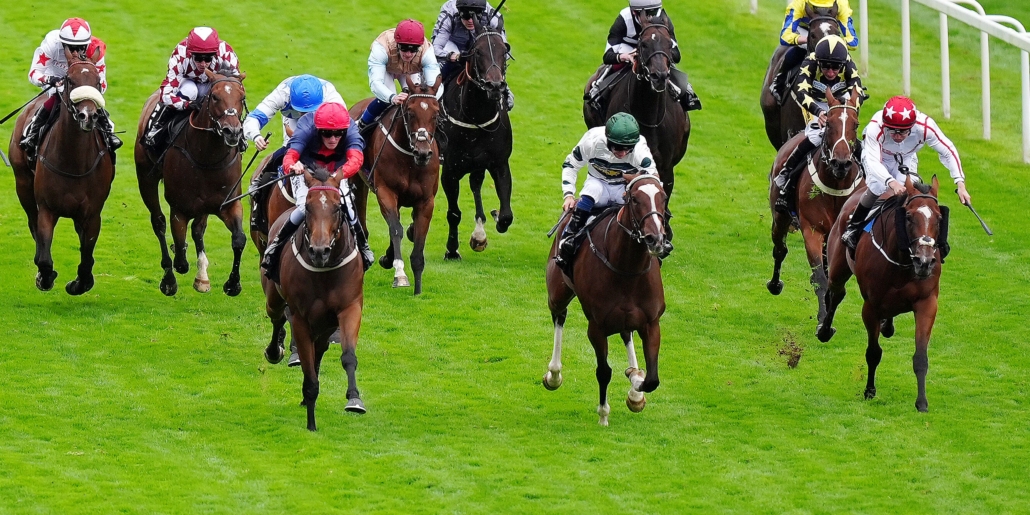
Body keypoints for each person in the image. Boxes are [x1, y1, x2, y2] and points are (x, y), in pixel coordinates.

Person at [841, 96, 970, 257]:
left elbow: (948, 151)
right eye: (892, 130)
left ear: (912, 126)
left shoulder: (925, 126)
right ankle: (853, 228)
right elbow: (873, 162)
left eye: (902, 131)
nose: (896, 136)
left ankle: (935, 242)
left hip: (906, 158)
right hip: (879, 157)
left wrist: (960, 183)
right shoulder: (876, 127)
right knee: (877, 186)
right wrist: (891, 182)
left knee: (910, 194)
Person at [260, 102, 374, 281]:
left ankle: (363, 246)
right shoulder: (306, 126)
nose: (333, 139)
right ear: (318, 129)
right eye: (327, 133)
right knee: (303, 207)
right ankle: (275, 245)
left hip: (335, 172)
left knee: (347, 205)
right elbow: (290, 155)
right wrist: (293, 166)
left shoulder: (350, 128)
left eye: (338, 134)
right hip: (306, 170)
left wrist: (339, 175)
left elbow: (357, 158)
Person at [554, 112, 660, 269]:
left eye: (627, 149)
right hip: (597, 182)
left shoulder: (640, 149)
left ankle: (658, 238)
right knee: (592, 190)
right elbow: (571, 164)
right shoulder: (592, 140)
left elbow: (653, 178)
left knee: (643, 205)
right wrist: (568, 195)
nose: (622, 153)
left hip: (623, 187)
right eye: (617, 147)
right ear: (608, 139)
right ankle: (569, 237)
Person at [773, 34, 865, 210]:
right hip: (816, 103)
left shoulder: (848, 63)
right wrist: (818, 111)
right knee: (816, 136)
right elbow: (801, 92)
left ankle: (869, 178)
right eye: (826, 67)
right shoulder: (810, 61)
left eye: (835, 68)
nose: (830, 72)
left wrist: (850, 109)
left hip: (842, 103)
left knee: (849, 138)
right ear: (819, 62)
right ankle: (786, 178)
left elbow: (858, 90)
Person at [21, 17, 121, 160]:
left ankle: (108, 134)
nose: (75, 53)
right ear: (62, 43)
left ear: (87, 44)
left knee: (92, 101)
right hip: (56, 76)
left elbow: (103, 84)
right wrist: (50, 80)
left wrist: (89, 88)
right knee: (58, 96)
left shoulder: (95, 50)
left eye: (79, 47)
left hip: (82, 80)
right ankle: (33, 134)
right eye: (70, 47)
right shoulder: (51, 45)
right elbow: (34, 73)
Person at [586, 0, 701, 113]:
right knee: (615, 66)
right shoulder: (624, 18)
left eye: (653, 12)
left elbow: (676, 55)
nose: (650, 17)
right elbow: (607, 56)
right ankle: (598, 89)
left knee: (664, 65)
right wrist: (624, 56)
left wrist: (661, 53)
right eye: (646, 14)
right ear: (634, 12)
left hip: (653, 50)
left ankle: (687, 93)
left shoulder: (663, 20)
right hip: (628, 48)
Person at [144, 27, 242, 151]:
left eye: (208, 59)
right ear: (190, 54)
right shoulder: (180, 53)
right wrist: (186, 104)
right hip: (188, 83)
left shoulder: (226, 53)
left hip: (214, 85)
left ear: (215, 54)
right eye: (198, 58)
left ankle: (240, 132)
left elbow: (236, 89)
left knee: (228, 95)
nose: (203, 64)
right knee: (190, 91)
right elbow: (165, 94)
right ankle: (157, 126)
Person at [356, 19, 442, 132]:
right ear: (397, 44)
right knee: (386, 100)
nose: (408, 54)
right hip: (387, 69)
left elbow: (435, 84)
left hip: (411, 72)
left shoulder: (427, 52)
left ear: (420, 47)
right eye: (404, 48)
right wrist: (392, 97)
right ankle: (361, 125)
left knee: (420, 99)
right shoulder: (381, 48)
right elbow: (376, 83)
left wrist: (428, 97)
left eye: (413, 49)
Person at [770, 0, 858, 104]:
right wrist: (807, 39)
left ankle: (856, 88)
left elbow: (853, 42)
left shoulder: (840, 3)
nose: (822, 9)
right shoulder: (800, 3)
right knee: (796, 52)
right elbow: (785, 36)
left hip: (829, 31)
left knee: (843, 56)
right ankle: (779, 81)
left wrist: (834, 42)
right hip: (806, 31)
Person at [431, 0, 514, 110]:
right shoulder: (449, 12)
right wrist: (453, 56)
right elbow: (436, 48)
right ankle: (433, 93)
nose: (470, 21)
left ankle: (504, 88)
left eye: (476, 17)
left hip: (480, 45)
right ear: (459, 12)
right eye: (466, 17)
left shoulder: (492, 15)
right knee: (446, 66)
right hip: (453, 44)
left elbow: (505, 51)